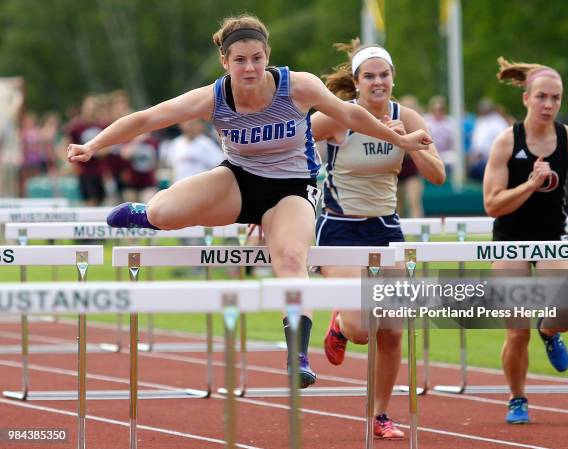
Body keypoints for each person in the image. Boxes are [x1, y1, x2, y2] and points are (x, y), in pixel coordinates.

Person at [66, 14, 432, 389]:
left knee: (290, 259)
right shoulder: (215, 97)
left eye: (257, 58)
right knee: (163, 210)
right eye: (240, 60)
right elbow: (148, 118)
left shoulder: (297, 87)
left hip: (291, 189)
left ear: (267, 55)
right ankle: (151, 216)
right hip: (239, 181)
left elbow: (350, 113)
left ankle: (297, 354)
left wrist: (401, 141)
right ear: (226, 62)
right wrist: (93, 146)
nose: (250, 68)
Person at [311, 40, 445, 438]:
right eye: (369, 76)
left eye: (384, 74)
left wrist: (409, 142)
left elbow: (436, 174)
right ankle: (339, 324)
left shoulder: (407, 115)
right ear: (356, 82)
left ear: (392, 78)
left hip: (386, 228)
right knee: (361, 328)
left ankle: (380, 415)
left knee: (392, 331)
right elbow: (293, 140)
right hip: (339, 228)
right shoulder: (339, 117)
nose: (378, 82)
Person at [483, 57, 568, 424]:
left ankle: (549, 330)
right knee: (515, 330)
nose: (548, 105)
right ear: (526, 99)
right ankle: (517, 398)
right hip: (510, 240)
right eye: (541, 97)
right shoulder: (507, 143)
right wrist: (530, 185)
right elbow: (492, 204)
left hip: (552, 236)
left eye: (555, 98)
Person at [397, 95, 425, 218]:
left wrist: (407, 144)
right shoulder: (394, 123)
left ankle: (419, 234)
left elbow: (422, 147)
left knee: (414, 203)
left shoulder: (418, 126)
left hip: (411, 170)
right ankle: (399, 235)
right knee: (397, 206)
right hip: (395, 170)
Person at [468, 98, 509, 181]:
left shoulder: (498, 121)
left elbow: (505, 139)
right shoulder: (480, 120)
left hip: (492, 159)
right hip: (478, 160)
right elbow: (476, 140)